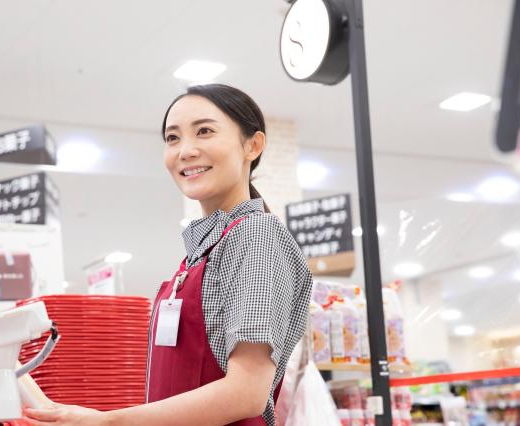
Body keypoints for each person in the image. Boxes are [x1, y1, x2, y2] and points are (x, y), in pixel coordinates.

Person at [24, 84, 313, 425]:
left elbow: (247, 391)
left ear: (253, 145)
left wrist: (107, 422)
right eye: (172, 138)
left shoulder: (256, 234)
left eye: (204, 131)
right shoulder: (201, 253)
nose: (185, 151)